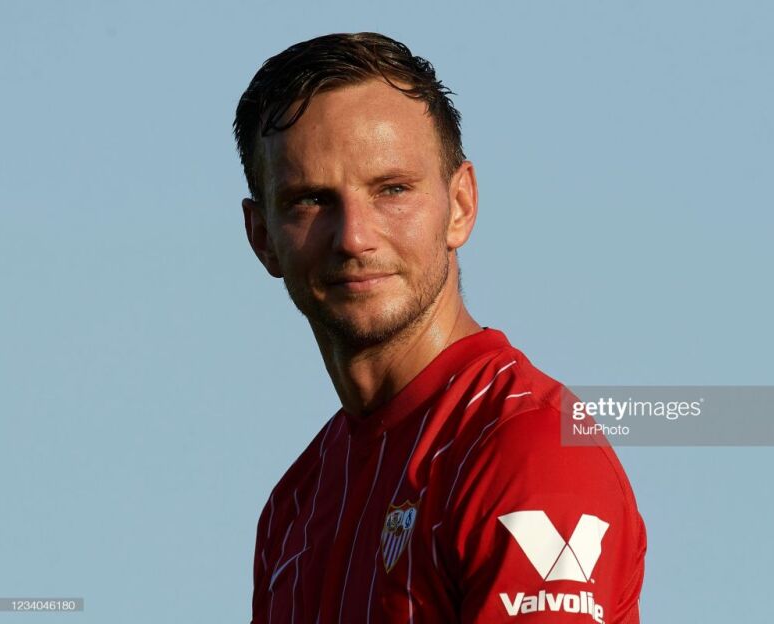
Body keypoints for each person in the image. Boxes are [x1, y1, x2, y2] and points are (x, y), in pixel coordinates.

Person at [233, 32, 646, 623]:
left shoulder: (529, 447)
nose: (354, 237)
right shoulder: (295, 506)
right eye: (311, 201)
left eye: (392, 190)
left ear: (461, 205)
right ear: (262, 237)